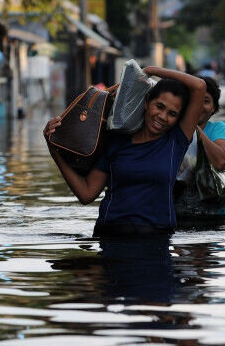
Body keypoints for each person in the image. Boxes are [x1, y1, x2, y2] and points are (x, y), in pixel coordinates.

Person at [43, 66, 206, 237]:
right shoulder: (117, 141)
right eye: (159, 106)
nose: (163, 117)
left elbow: (199, 86)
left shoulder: (175, 142)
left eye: (172, 113)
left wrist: (151, 69)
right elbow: (86, 193)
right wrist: (54, 150)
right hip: (111, 237)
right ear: (146, 101)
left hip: (157, 240)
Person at [174, 76, 225, 226]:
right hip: (178, 216)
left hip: (214, 218)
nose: (198, 106)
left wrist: (193, 128)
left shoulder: (218, 129)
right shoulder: (172, 130)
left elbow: (220, 161)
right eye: (194, 100)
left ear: (214, 108)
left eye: (205, 101)